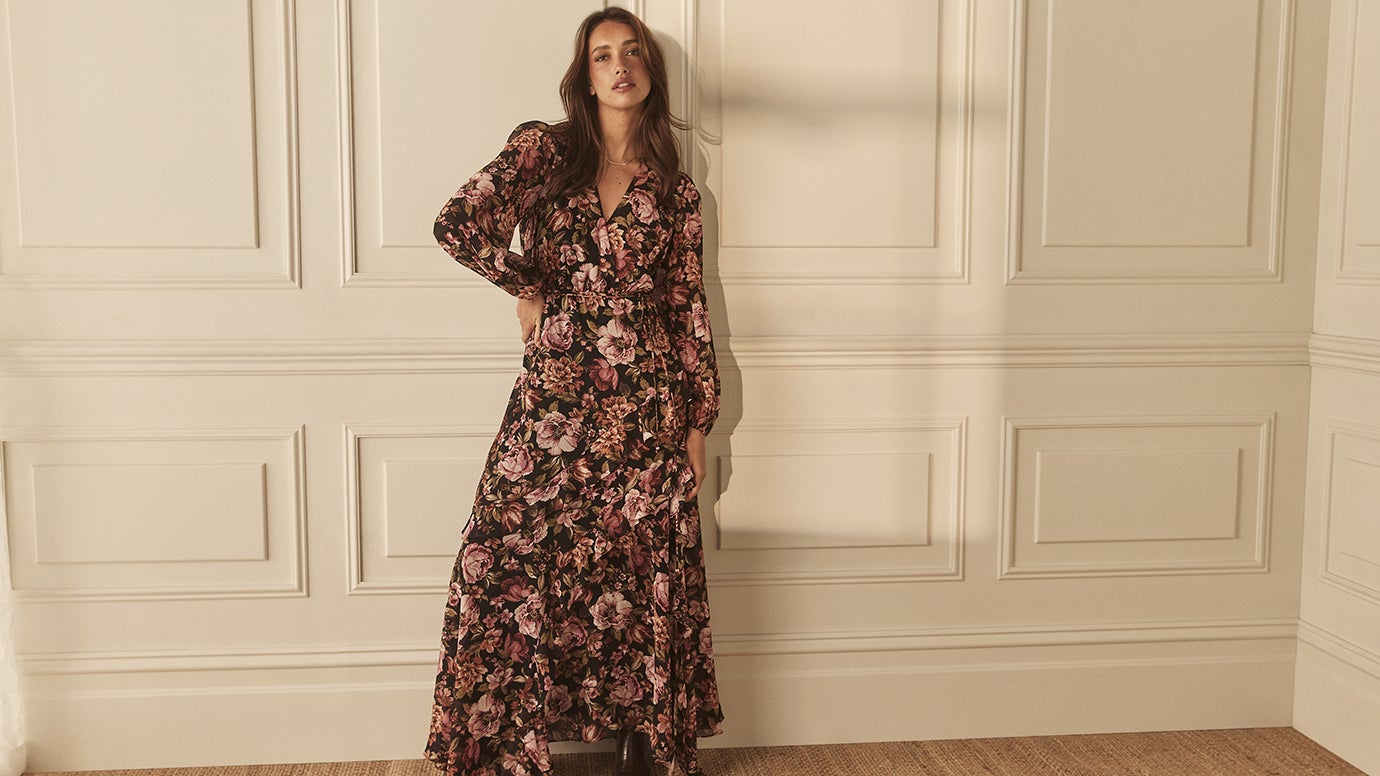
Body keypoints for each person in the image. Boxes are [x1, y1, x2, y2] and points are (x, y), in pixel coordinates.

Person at [425, 8, 723, 776]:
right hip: (553, 406)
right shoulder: (544, 151)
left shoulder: (677, 194)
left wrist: (698, 421)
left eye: (632, 54)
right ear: (584, 75)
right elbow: (457, 223)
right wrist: (530, 283)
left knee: (634, 568)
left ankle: (639, 733)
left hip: (647, 407)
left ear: (651, 72)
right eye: (602, 56)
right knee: (497, 557)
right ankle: (498, 740)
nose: (619, 66)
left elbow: (688, 308)